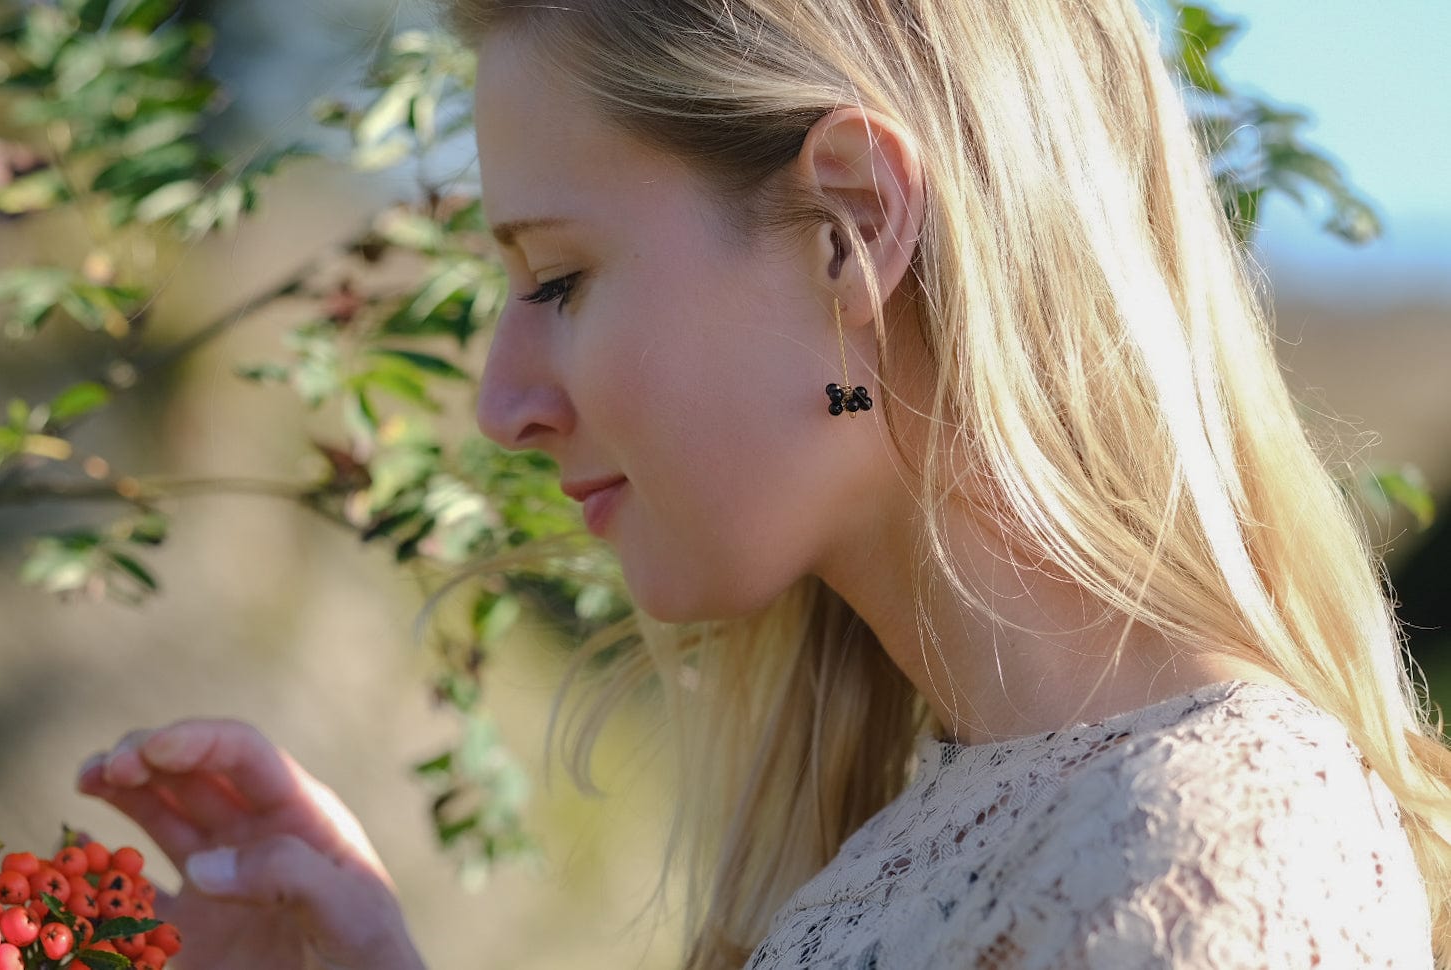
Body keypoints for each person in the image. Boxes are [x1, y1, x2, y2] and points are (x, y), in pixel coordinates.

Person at [77, 0, 1451, 966]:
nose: (502, 405)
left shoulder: (1212, 846)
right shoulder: (920, 830)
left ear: (852, 226)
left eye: (558, 279)